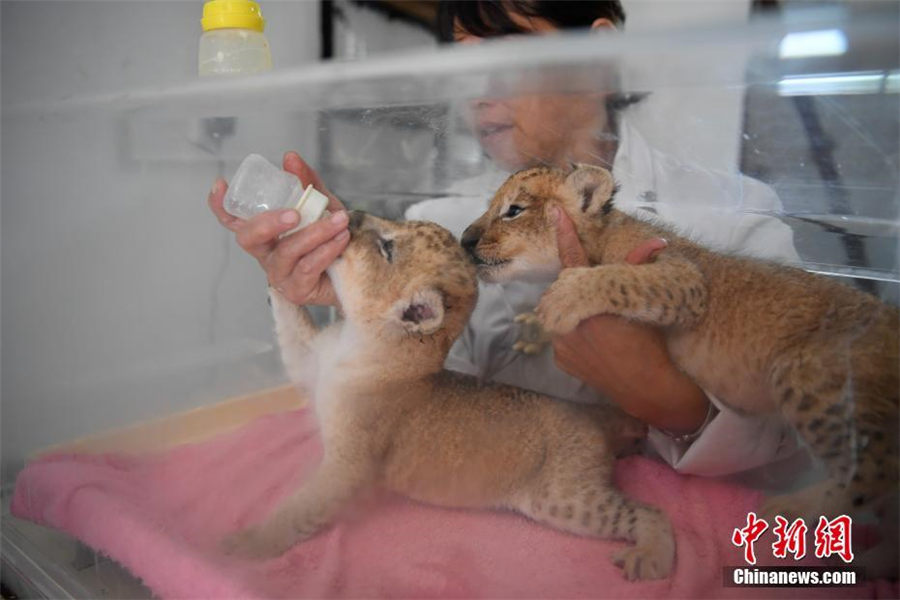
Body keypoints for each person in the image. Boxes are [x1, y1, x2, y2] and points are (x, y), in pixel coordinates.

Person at [208, 1, 814, 489]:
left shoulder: (734, 220)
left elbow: (812, 457)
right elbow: (410, 409)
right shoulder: (440, 223)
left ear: (598, 55)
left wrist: (672, 403)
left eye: (505, 57)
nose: (477, 94)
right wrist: (354, 289)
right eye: (464, 67)